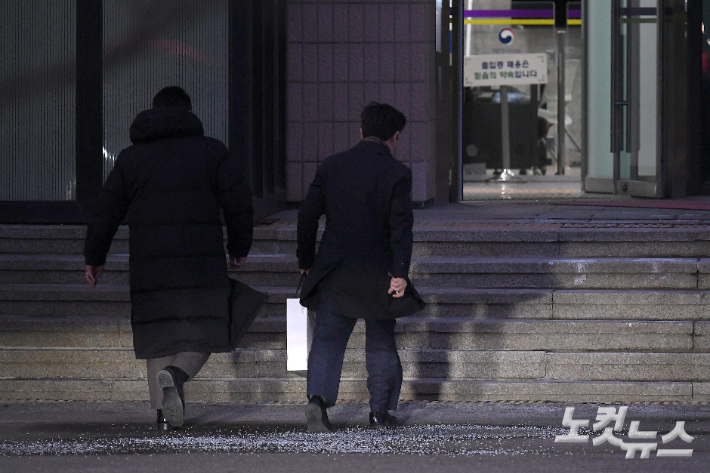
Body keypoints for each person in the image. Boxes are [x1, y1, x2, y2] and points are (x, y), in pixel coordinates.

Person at [84, 86, 253, 430]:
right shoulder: (211, 152)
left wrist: (95, 256)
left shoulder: (131, 158)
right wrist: (239, 246)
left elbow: (105, 212)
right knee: (209, 327)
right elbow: (238, 202)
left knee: (157, 334)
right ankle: (176, 373)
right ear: (189, 113)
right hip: (200, 261)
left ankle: (164, 417)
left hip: (150, 262)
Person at [297, 101, 419, 432]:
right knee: (381, 340)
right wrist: (400, 273)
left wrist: (306, 261)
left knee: (327, 339)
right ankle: (380, 412)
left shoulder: (332, 166)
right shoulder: (397, 174)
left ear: (361, 131)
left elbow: (307, 215)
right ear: (396, 137)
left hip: (335, 269)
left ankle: (317, 402)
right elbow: (400, 228)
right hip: (378, 272)